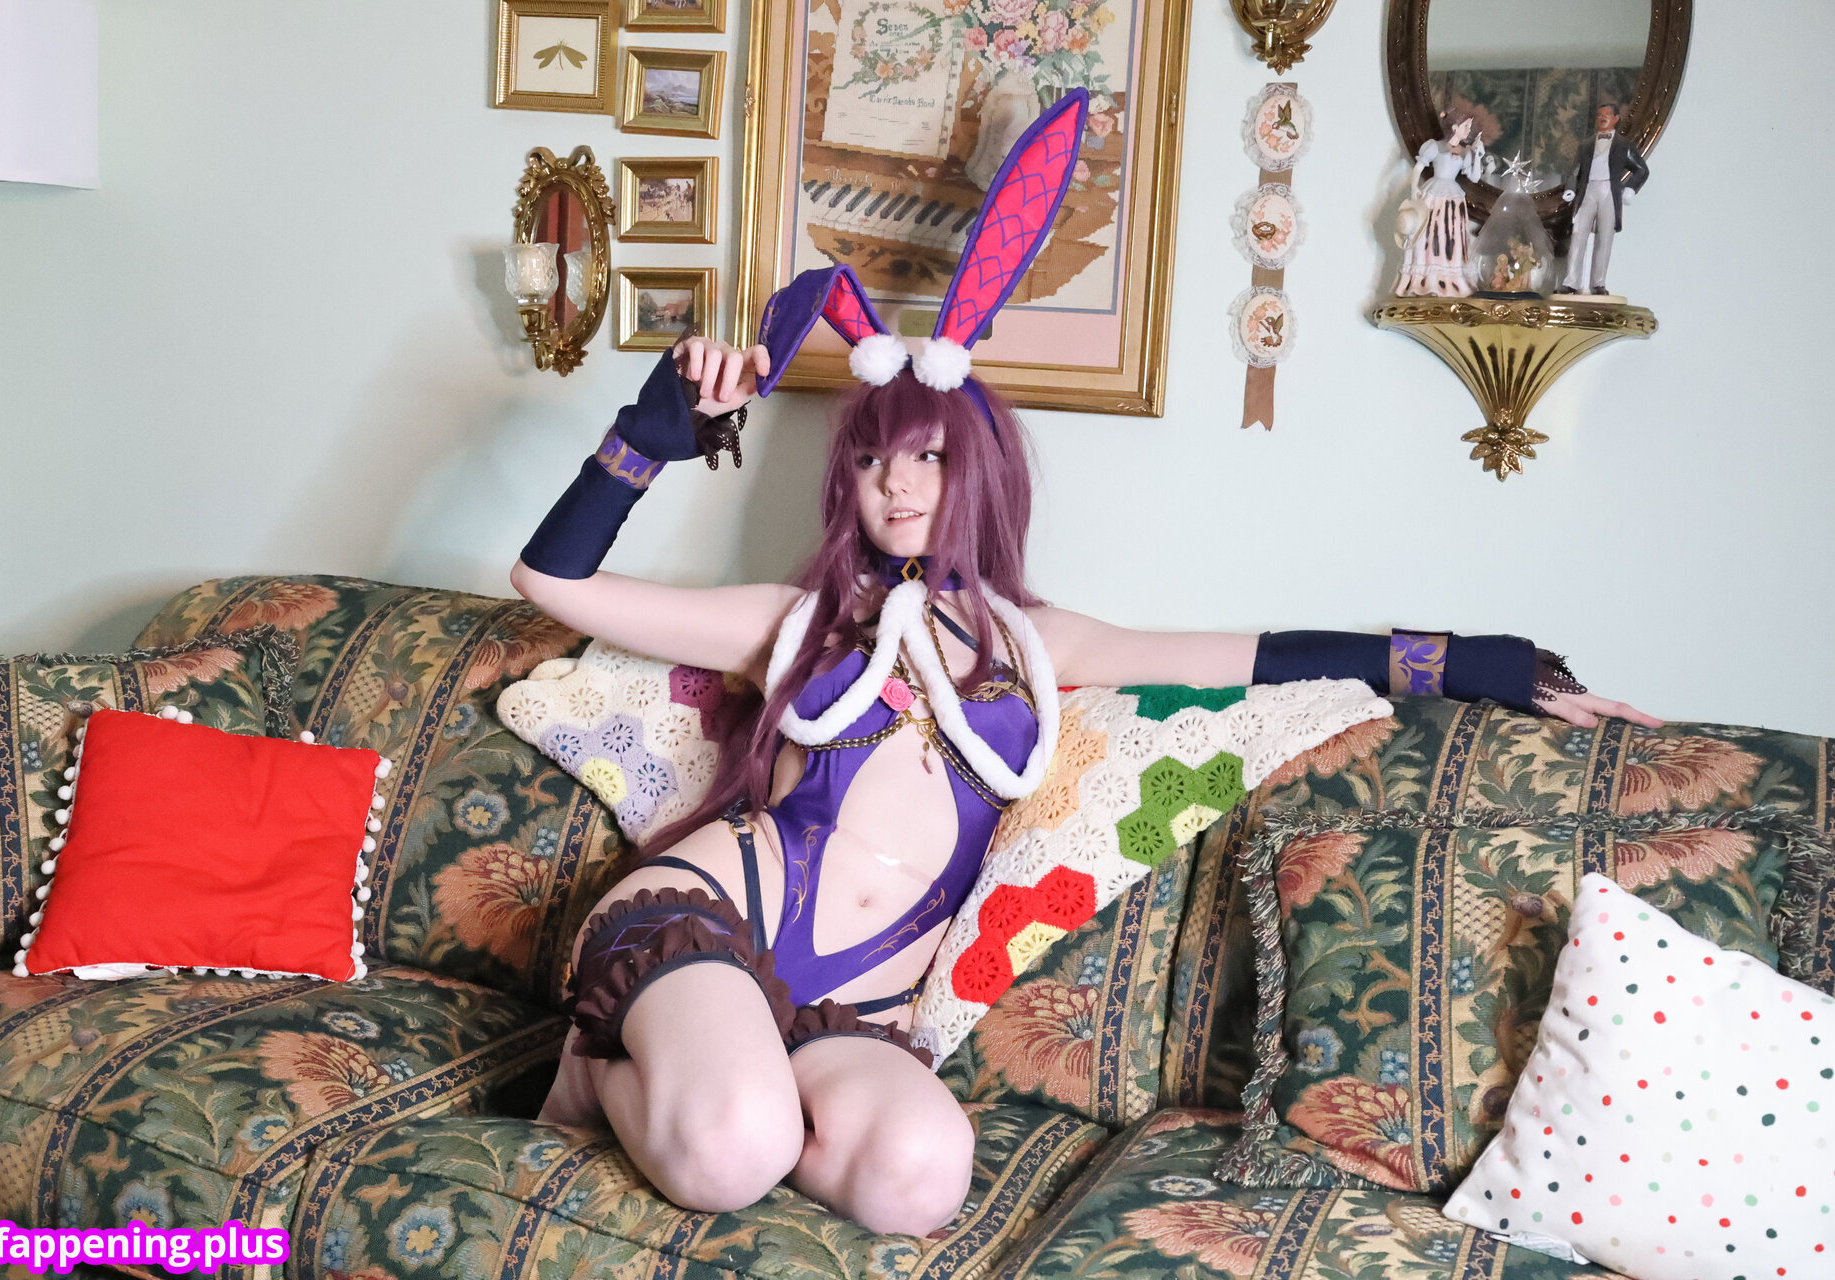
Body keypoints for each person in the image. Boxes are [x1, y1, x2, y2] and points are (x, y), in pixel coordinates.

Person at [509, 93, 1660, 1237]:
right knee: (732, 1148)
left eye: (926, 456)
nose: (896, 483)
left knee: (919, 1177)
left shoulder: (1035, 643)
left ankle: (729, 1094)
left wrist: (1475, 661)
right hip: (715, 918)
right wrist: (643, 441)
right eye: (870, 459)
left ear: (978, 470)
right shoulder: (800, 621)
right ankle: (602, 1069)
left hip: (859, 1002)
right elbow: (552, 582)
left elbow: (1260, 658)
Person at [1562, 101, 1650, 295]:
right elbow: (1574, 171)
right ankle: (1571, 281)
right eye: (1599, 115)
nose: (1602, 118)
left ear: (1616, 118)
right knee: (1578, 234)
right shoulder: (1585, 145)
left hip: (1609, 191)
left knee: (1605, 237)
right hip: (1588, 190)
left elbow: (1641, 170)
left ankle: (1598, 282)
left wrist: (1630, 189)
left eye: (1607, 115)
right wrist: (1570, 189)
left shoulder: (1624, 145)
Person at [1394, 117, 1486, 297]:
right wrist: (1414, 187)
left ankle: (1447, 271)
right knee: (1428, 231)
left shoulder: (1465, 152)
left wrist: (1478, 156)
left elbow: (1475, 178)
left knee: (1450, 232)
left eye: (1469, 126)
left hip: (1452, 196)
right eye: (1466, 125)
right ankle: (1424, 270)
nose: (1468, 129)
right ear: (1455, 127)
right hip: (1434, 193)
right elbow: (1419, 167)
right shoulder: (1435, 146)